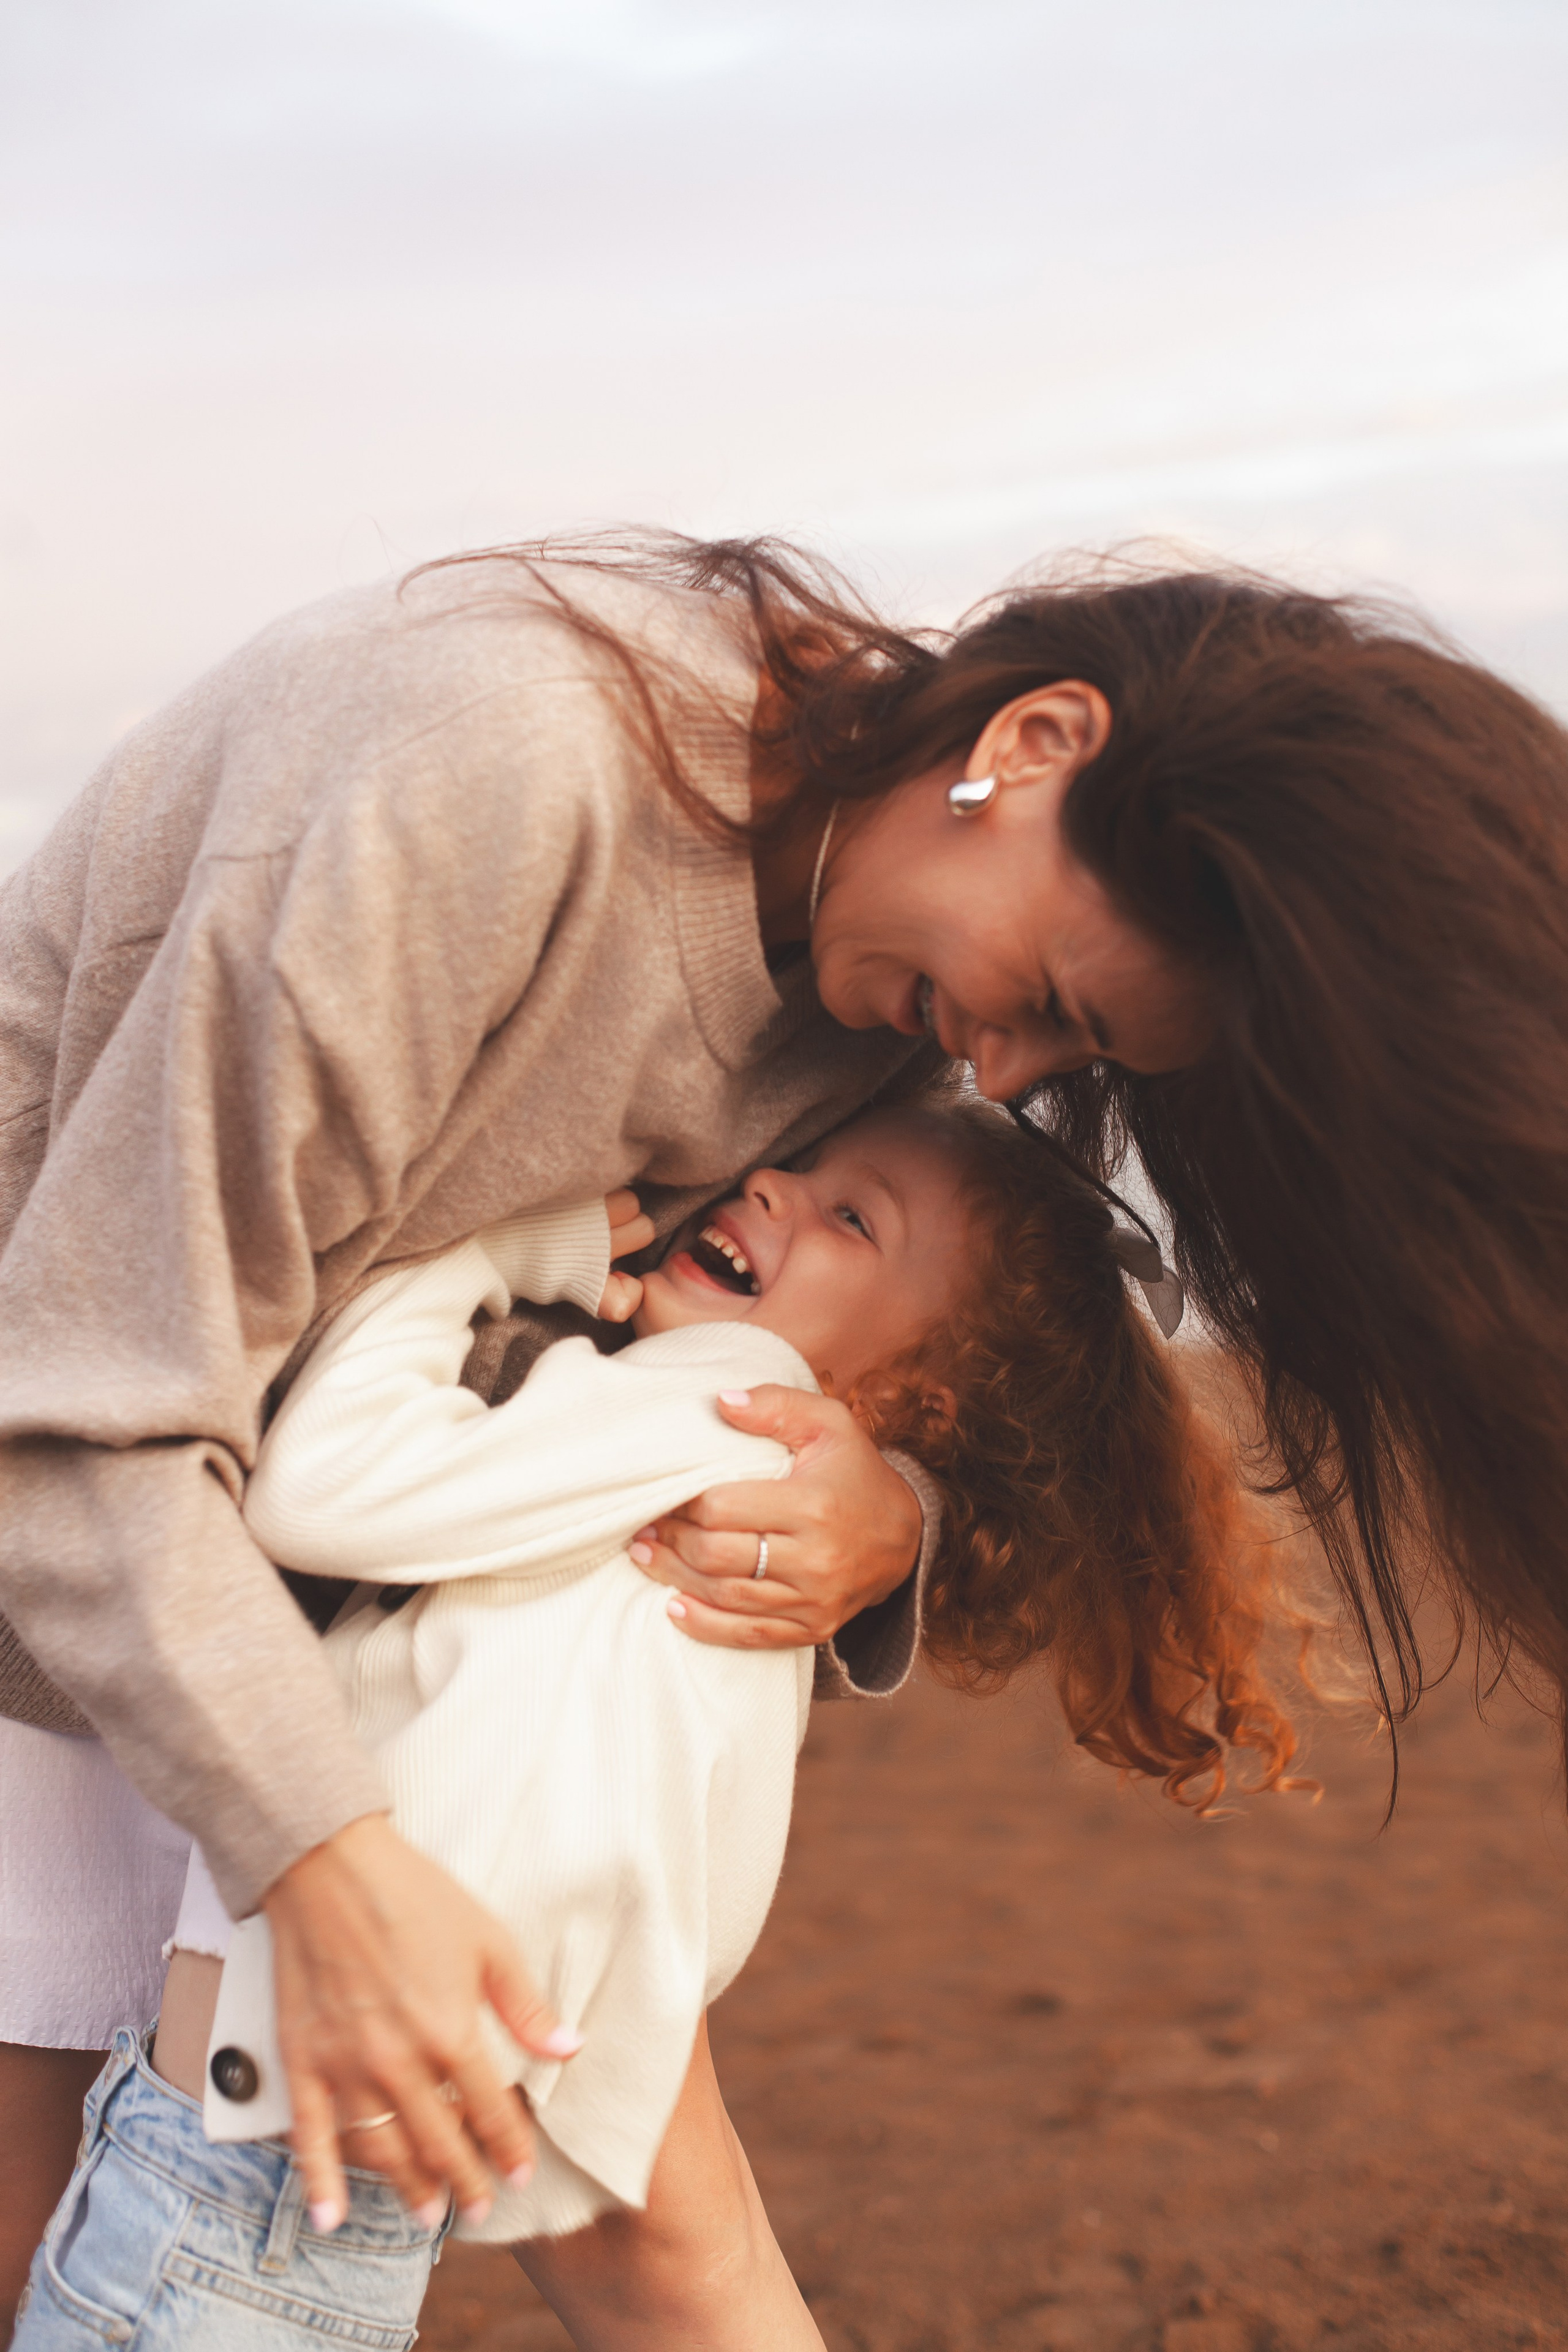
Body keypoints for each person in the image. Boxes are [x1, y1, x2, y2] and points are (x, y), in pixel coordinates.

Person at [4, 528, 1564, 2289]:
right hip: (69, 1575)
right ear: (1032, 745)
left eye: (1082, 1060)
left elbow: (892, 1319)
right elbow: (75, 1410)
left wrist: (890, 1502)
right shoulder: (489, 779)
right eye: (1053, 1006)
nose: (1005, 1073)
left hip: (348, 1612)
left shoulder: (876, 982)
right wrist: (329, 1862)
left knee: (653, 2218)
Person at [15, 1088, 1300, 2350]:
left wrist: (475, 1254)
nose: (765, 1187)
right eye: (798, 1164)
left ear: (917, 1401)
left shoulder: (721, 1402)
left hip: (243, 2178)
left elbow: (325, 1485)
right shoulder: (745, 1506)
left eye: (851, 1219)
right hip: (299, 2179)